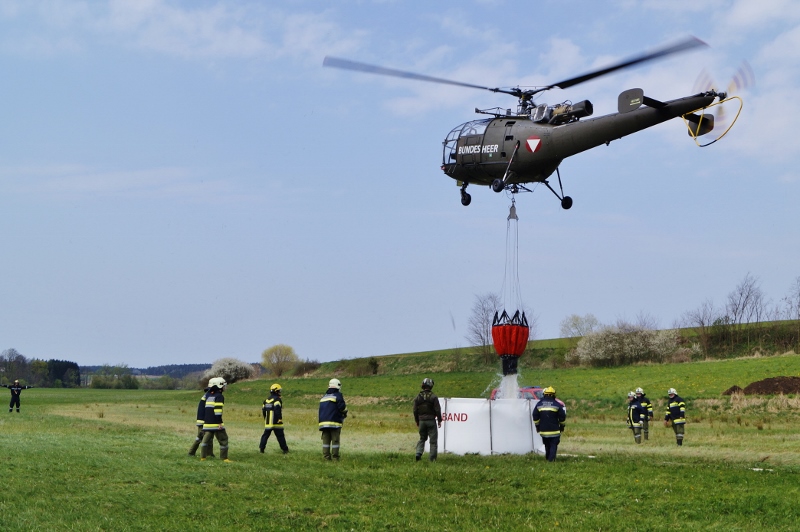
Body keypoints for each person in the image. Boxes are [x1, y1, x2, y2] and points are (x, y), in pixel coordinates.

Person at [200, 377, 231, 462]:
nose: (225, 387)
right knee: (223, 440)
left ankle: (203, 457)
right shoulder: (219, 396)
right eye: (223, 385)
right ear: (219, 386)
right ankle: (224, 458)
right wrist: (219, 422)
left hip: (207, 423)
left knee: (205, 440)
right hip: (215, 424)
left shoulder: (208, 395)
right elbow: (218, 411)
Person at [532, 386, 566, 462]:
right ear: (553, 395)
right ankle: (551, 460)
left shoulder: (539, 404)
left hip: (543, 431)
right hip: (554, 431)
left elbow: (535, 415)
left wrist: (537, 426)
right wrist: (562, 426)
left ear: (544, 394)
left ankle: (548, 458)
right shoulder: (557, 404)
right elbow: (562, 417)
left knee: (547, 445)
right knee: (553, 445)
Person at [413, 378, 442, 462]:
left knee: (422, 438)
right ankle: (432, 459)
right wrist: (439, 420)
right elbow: (437, 410)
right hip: (431, 421)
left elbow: (415, 410)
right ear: (431, 386)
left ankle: (418, 453)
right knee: (433, 441)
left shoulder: (418, 397)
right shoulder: (434, 397)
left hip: (421, 421)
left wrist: (417, 421)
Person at [318, 378, 348, 461]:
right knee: (335, 441)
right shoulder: (337, 395)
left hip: (323, 423)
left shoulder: (324, 397)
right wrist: (345, 413)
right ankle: (335, 457)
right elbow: (342, 407)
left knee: (326, 441)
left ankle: (326, 457)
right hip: (334, 422)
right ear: (338, 386)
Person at [260, 383, 289, 454]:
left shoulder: (266, 400)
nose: (280, 392)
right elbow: (277, 410)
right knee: (280, 436)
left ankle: (261, 449)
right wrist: (279, 418)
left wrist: (265, 419)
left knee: (265, 435)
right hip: (276, 421)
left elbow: (263, 411)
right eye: (279, 391)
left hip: (268, 421)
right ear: (276, 391)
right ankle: (285, 449)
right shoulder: (277, 400)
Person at [188, 387, 213, 457]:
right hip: (204, 421)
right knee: (201, 437)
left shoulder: (206, 396)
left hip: (202, 421)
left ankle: (209, 454)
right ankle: (191, 452)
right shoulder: (209, 397)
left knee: (207, 438)